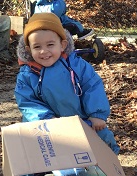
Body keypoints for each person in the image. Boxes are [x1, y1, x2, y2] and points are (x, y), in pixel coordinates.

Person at [15, 12, 119, 157]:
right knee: (39, 148)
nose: (44, 51)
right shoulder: (27, 74)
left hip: (81, 121)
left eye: (50, 45)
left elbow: (92, 87)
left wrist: (96, 114)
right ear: (29, 50)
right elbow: (27, 102)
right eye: (37, 47)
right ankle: (42, 174)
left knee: (101, 137)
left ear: (62, 45)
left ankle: (106, 168)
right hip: (47, 125)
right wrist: (46, 120)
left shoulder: (77, 66)